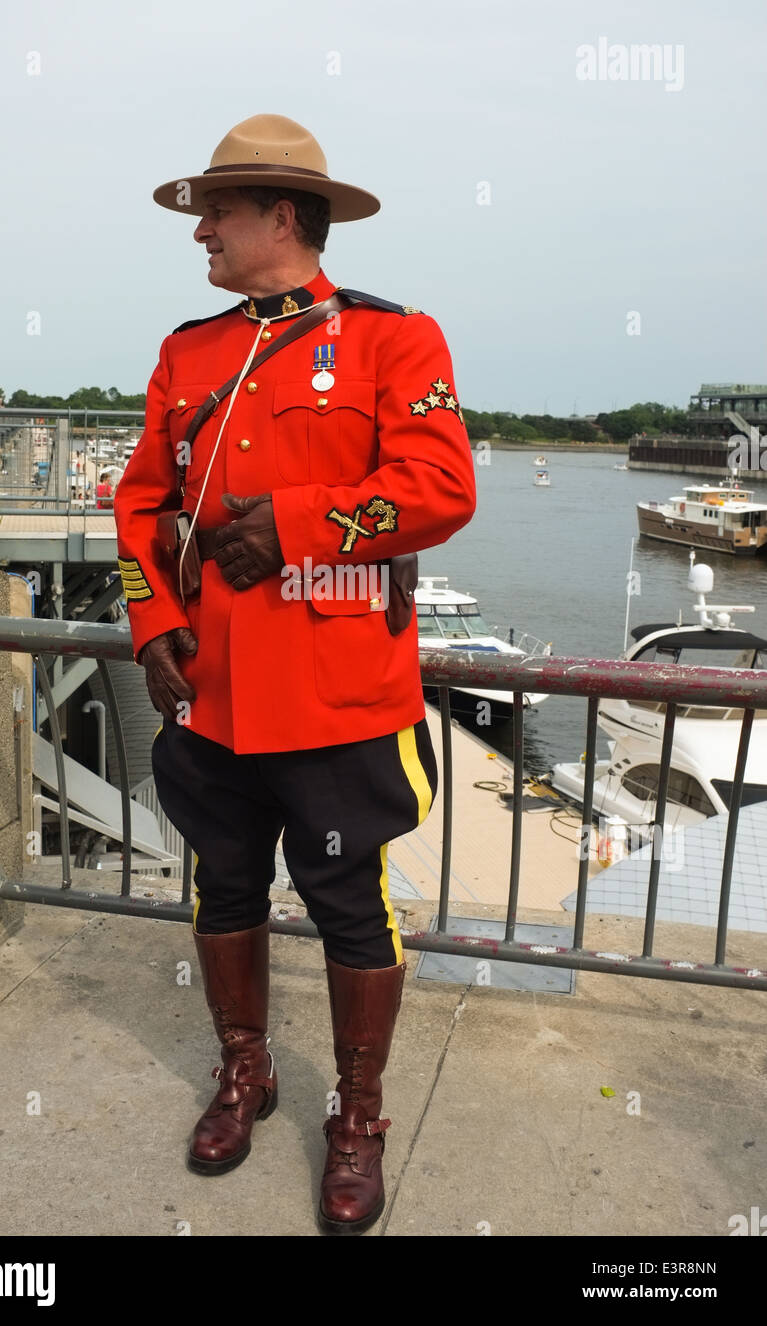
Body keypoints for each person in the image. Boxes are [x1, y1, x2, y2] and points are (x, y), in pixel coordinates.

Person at [113, 114, 476, 1235]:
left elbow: (440, 488)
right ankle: (244, 1073)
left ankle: (354, 1115)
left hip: (336, 698)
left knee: (350, 913)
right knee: (220, 888)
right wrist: (150, 623)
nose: (200, 236)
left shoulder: (393, 341)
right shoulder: (189, 351)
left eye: (214, 214)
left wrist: (292, 523)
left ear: (282, 216)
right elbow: (139, 501)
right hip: (210, 693)